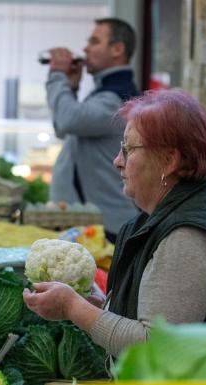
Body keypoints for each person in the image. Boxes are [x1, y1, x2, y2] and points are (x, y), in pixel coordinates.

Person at [23, 89, 206, 358]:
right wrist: (95, 304)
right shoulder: (177, 212)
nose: (117, 161)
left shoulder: (188, 235)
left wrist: (72, 307)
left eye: (128, 149)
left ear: (168, 160)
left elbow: (154, 347)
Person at [46, 17, 140, 241]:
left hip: (107, 228)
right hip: (93, 225)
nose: (85, 48)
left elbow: (69, 120)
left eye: (94, 41)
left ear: (117, 49)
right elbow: (64, 127)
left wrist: (57, 77)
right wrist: (71, 88)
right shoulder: (105, 92)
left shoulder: (117, 98)